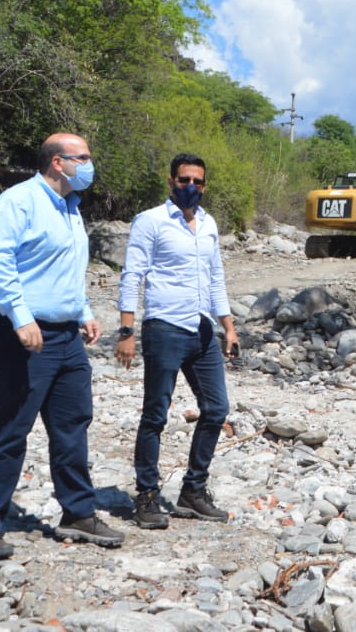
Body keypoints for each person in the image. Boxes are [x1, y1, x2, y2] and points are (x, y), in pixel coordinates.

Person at [0, 133, 124, 561]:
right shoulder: (17, 202)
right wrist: (21, 316)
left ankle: (78, 512)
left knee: (73, 424)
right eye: (82, 158)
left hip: (66, 336)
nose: (89, 165)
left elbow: (64, 269)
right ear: (57, 162)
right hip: (19, 335)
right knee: (11, 427)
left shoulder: (71, 208)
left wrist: (83, 310)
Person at [116, 151, 239, 528]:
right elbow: (132, 274)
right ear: (171, 181)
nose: (190, 186)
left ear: (205, 185)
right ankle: (147, 496)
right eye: (184, 180)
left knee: (216, 409)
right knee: (155, 414)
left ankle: (193, 491)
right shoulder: (150, 221)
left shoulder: (208, 224)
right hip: (164, 328)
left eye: (197, 182)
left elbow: (215, 278)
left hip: (201, 329)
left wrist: (229, 327)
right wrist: (126, 330)